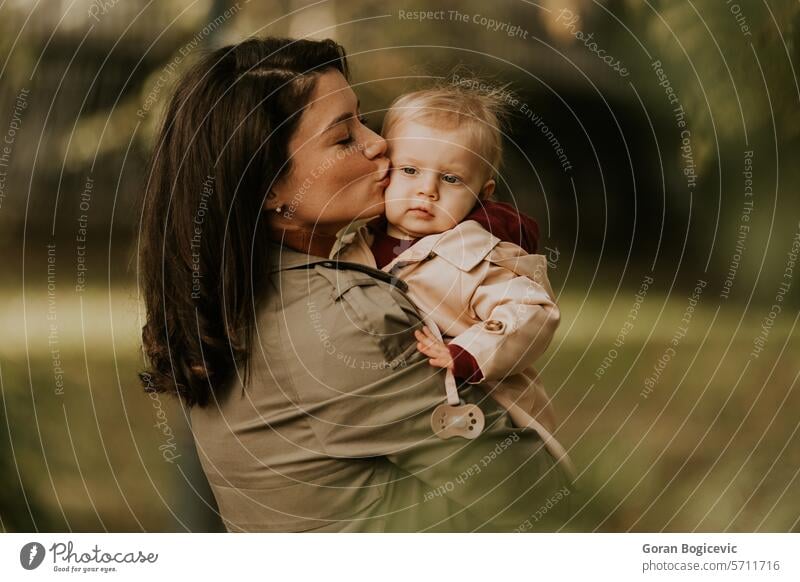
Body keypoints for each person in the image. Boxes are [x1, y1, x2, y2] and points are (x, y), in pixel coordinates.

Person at [138, 36, 574, 532]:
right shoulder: (351, 318)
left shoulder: (237, 292)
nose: (378, 143)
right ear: (269, 186)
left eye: (363, 119)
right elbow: (536, 495)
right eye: (344, 137)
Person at [332, 83, 575, 477]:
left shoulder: (481, 256)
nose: (426, 190)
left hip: (485, 412)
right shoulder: (354, 242)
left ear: (482, 193)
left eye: (450, 179)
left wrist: (468, 350)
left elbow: (532, 311)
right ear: (385, 173)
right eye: (410, 170)